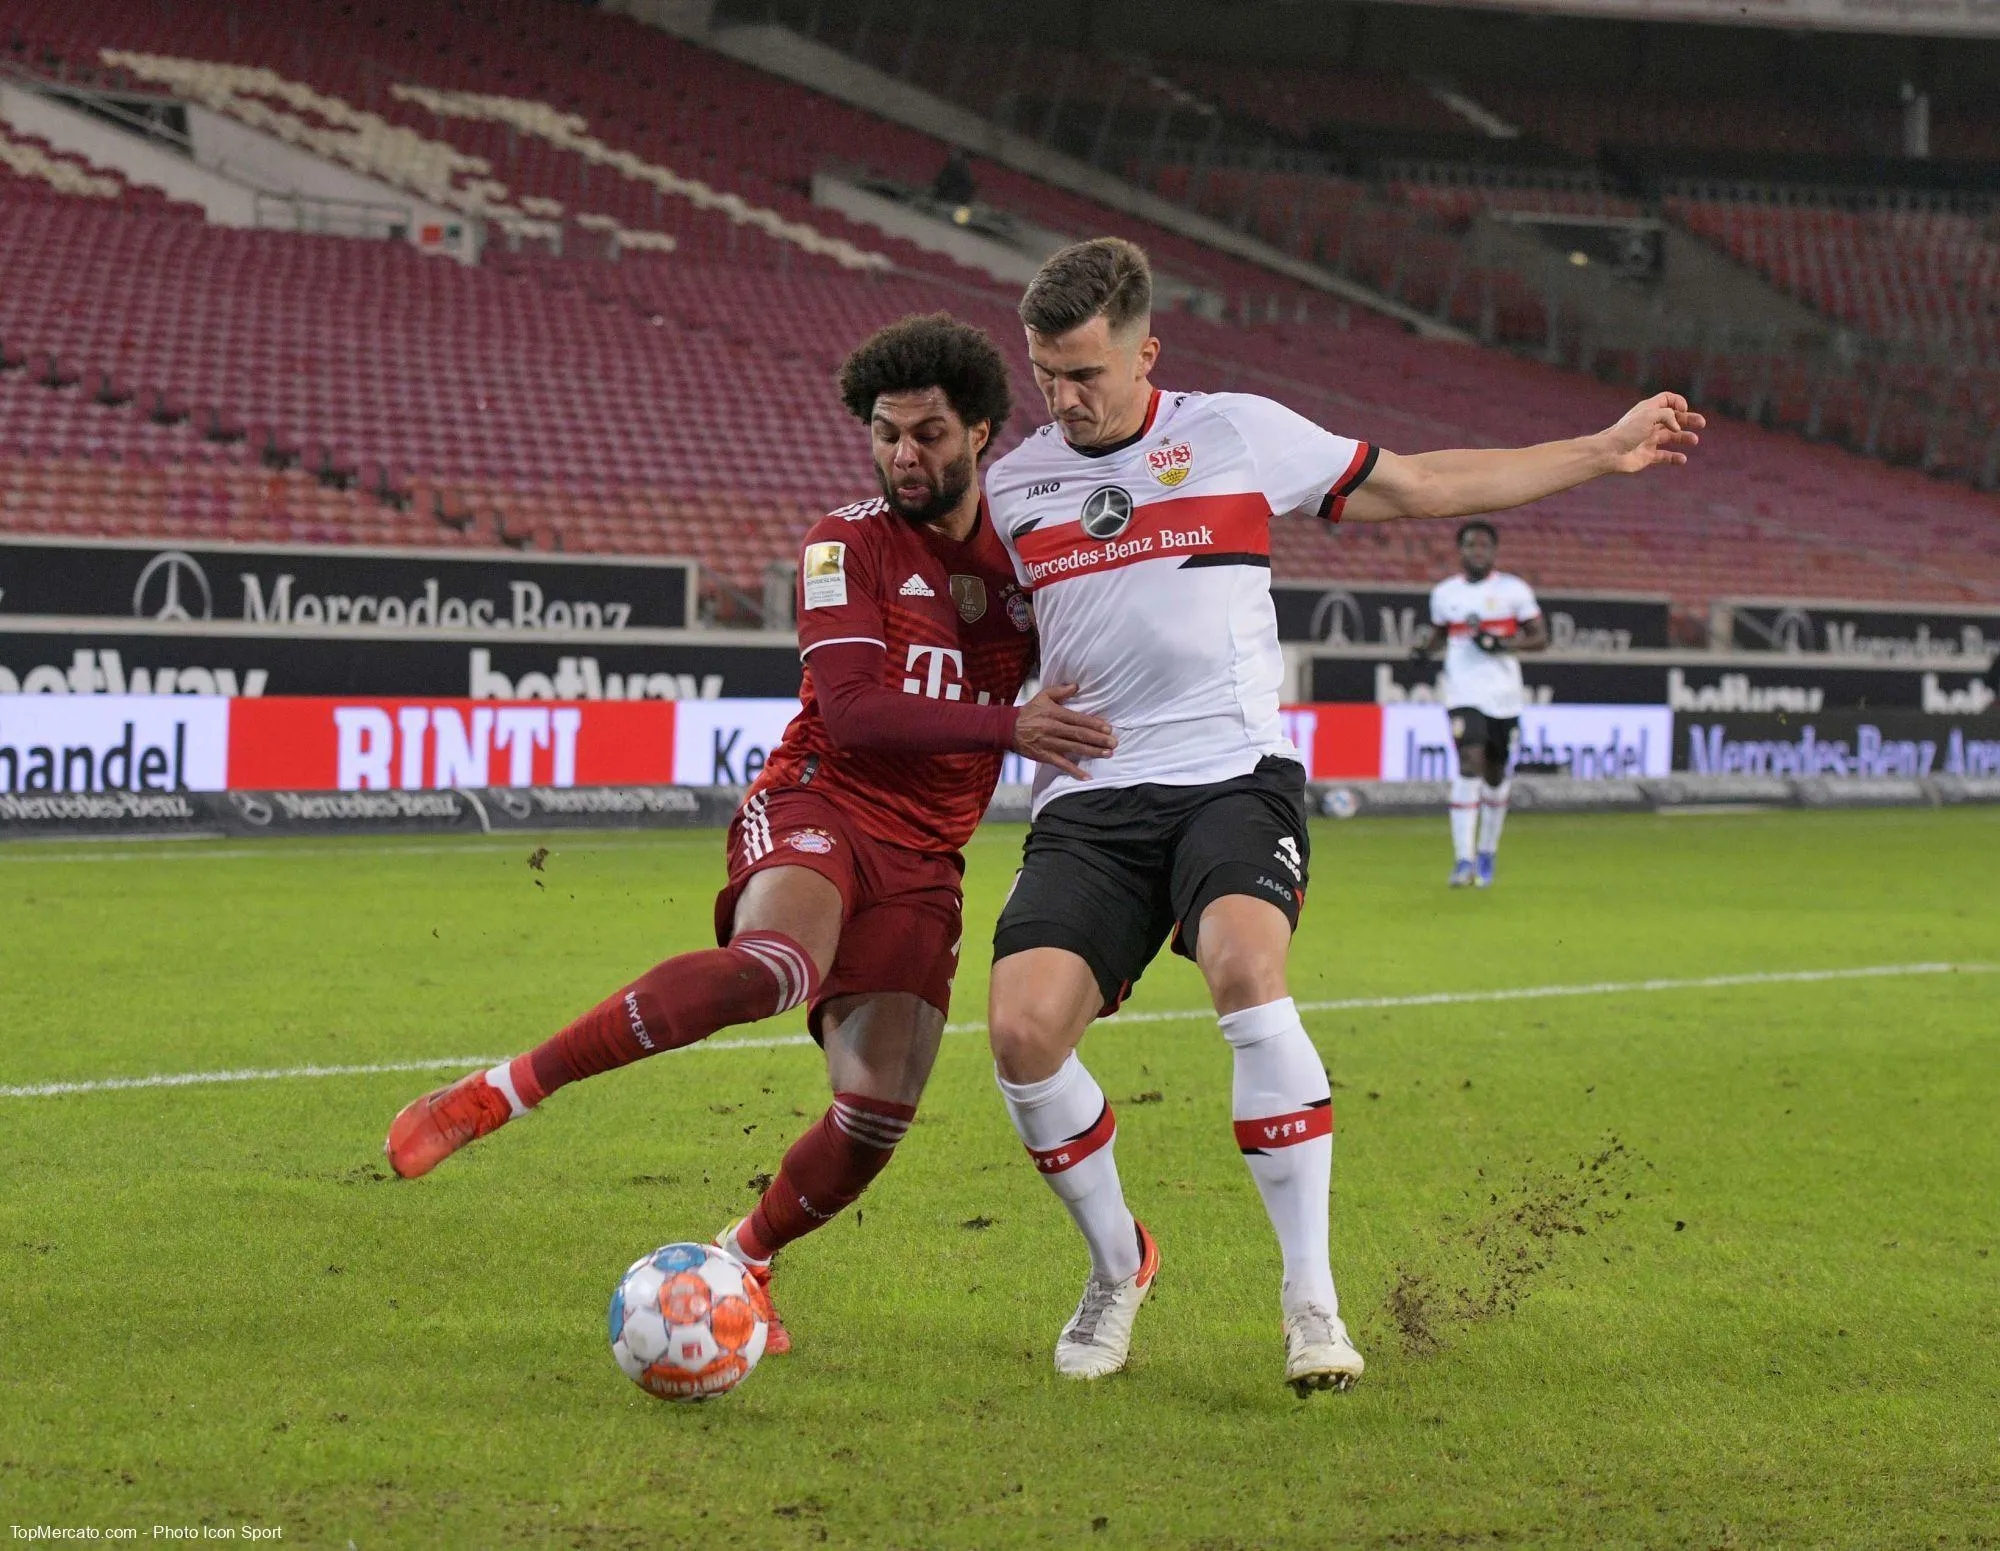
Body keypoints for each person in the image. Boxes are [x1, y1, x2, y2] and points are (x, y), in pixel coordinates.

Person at [980, 236, 1703, 1394]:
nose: (1061, 398)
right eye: (1044, 375)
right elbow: (972, 633)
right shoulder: (1013, 484)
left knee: (1243, 970)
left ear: (1143, 353)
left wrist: (1600, 450)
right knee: (1019, 1036)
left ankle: (1309, 1301)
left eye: (1083, 374)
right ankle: (1118, 1266)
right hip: (1091, 798)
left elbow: (1419, 483)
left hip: (1230, 776)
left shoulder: (1234, 433)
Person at [382, 313, 1116, 1354]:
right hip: (822, 797)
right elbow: (856, 709)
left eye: (929, 435)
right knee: (769, 967)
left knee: (876, 1119)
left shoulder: (1028, 558)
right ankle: (496, 1094)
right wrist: (1010, 724)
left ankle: (749, 1256)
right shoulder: (843, 541)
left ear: (984, 432)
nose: (905, 456)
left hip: (925, 858)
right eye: (885, 433)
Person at [1411, 520, 1548, 888]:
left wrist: (1504, 644)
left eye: (1484, 545)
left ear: (1494, 550)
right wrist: (1424, 650)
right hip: (1462, 692)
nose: (1477, 551)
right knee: (1469, 762)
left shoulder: (1513, 591)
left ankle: (1487, 850)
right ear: (1461, 550)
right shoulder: (1444, 594)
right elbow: (1440, 634)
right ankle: (1463, 859)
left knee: (1495, 774)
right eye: (1470, 545)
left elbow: (1540, 637)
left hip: (1504, 696)